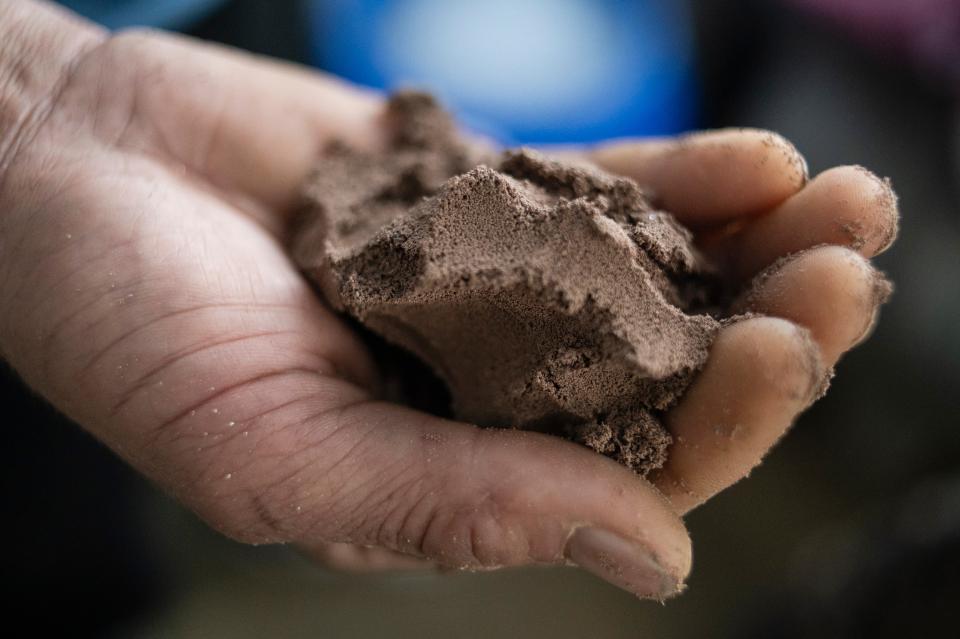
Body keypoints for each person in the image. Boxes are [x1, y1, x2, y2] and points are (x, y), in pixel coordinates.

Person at [0, 0, 898, 599]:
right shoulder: (371, 238)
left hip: (141, 26)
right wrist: (33, 124)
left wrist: (55, 91)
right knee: (40, 522)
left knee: (87, 544)